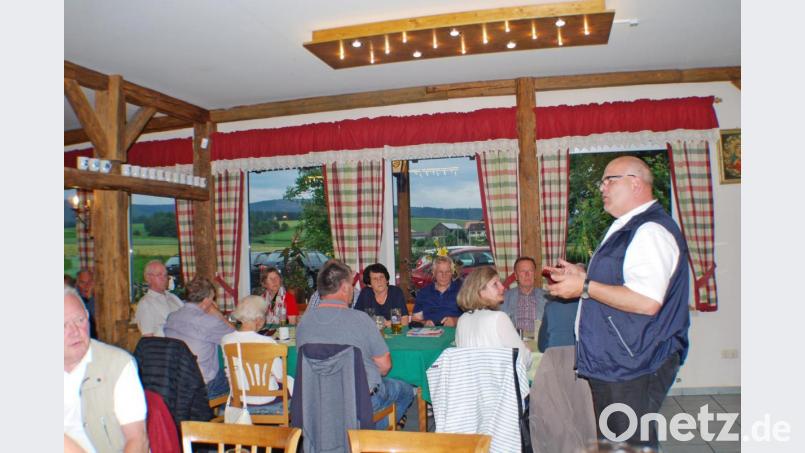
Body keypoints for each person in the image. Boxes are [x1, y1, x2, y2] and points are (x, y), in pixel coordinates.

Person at [545, 156, 690, 449]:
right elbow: (625, 283)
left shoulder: (649, 230)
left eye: (609, 180)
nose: (602, 188)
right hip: (621, 360)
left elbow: (646, 301)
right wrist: (583, 275)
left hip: (635, 361)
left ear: (635, 183)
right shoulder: (628, 225)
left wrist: (584, 286)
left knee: (628, 444)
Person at [296, 259, 413, 429]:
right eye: (352, 285)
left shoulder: (304, 323)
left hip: (320, 399)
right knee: (406, 391)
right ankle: (366, 438)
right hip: (360, 400)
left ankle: (351, 433)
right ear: (344, 287)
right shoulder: (361, 320)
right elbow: (385, 367)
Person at [64, 287, 148, 453]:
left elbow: (138, 440)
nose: (75, 332)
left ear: (89, 318)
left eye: (80, 320)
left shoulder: (117, 365)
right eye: (62, 325)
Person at [164, 277, 235, 399]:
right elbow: (237, 339)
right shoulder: (209, 322)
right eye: (212, 299)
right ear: (207, 301)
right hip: (203, 387)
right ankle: (227, 413)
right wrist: (217, 314)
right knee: (237, 379)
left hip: (176, 383)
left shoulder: (171, 317)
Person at [221, 295, 293, 413]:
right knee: (292, 385)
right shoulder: (268, 342)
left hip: (240, 398)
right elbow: (280, 377)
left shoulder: (226, 340)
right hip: (268, 398)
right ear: (258, 319)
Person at [455, 267, 532, 369]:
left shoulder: (462, 320)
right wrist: (527, 349)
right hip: (500, 384)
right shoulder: (499, 318)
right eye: (495, 284)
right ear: (480, 291)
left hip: (473, 384)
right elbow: (523, 361)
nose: (502, 287)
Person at [501, 256, 548, 337]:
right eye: (522, 271)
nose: (527, 274)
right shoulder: (504, 299)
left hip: (539, 342)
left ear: (535, 274)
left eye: (530, 271)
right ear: (516, 275)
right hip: (514, 342)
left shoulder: (548, 298)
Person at [135, 260, 183, 337]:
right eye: (159, 275)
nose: (164, 278)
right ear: (148, 278)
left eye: (165, 275)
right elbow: (148, 339)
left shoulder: (173, 298)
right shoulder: (146, 303)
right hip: (166, 347)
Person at [412, 255, 462, 326]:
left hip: (455, 334)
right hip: (429, 335)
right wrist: (425, 323)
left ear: (452, 272)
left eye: (447, 272)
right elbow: (415, 319)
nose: (444, 275)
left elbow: (472, 318)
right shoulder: (423, 293)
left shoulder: (462, 291)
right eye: (440, 272)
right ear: (434, 273)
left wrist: (455, 321)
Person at [354, 263, 409, 327]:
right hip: (372, 333)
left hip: (393, 333)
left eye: (381, 277)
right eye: (375, 279)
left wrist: (383, 323)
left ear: (387, 280)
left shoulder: (395, 292)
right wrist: (383, 322)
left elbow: (404, 321)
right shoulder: (366, 293)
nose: (379, 281)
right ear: (369, 284)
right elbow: (356, 317)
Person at [75, 269, 98, 338]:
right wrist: (90, 298)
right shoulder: (74, 298)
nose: (86, 286)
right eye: (82, 282)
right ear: (77, 284)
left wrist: (91, 298)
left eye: (89, 282)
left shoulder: (99, 297)